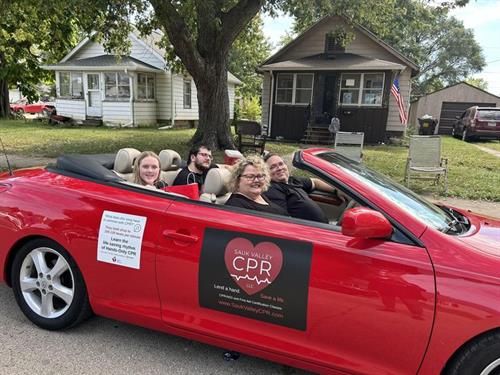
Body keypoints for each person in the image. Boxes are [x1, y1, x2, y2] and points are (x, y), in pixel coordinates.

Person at [263, 153, 338, 223]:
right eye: (273, 167)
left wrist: (336, 190)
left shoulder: (292, 180)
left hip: (323, 228)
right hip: (310, 233)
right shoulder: (272, 189)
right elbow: (284, 219)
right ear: (267, 173)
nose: (279, 168)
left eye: (281, 164)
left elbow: (315, 182)